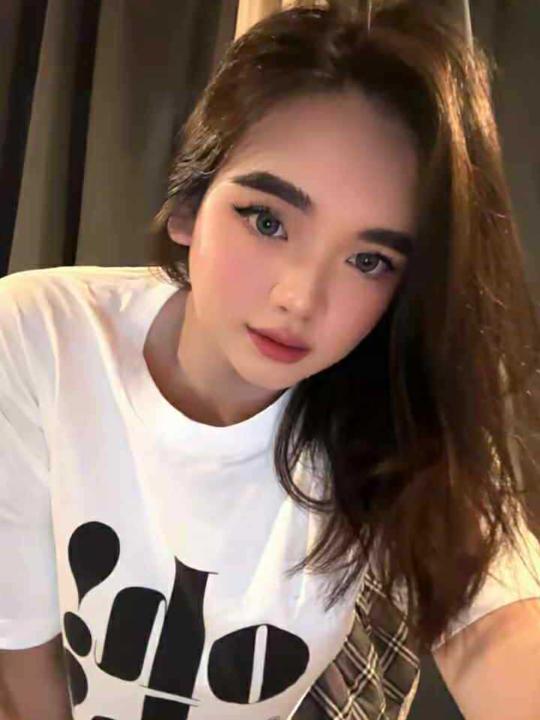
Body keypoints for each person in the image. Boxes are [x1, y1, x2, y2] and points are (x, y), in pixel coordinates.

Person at [1, 1, 539, 718]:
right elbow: (23, 665)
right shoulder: (42, 336)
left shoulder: (401, 419)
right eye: (267, 220)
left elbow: (500, 623)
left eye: (368, 260)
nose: (300, 298)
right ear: (189, 205)